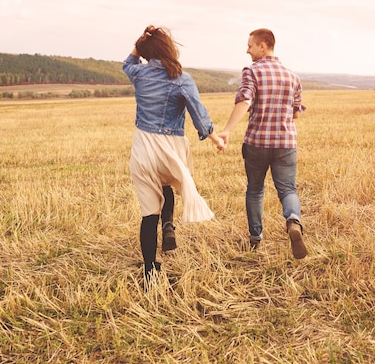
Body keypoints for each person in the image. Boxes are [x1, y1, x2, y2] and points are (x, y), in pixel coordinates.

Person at [123, 25, 225, 282]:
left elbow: (128, 62)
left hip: (143, 147)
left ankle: (150, 270)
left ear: (147, 52)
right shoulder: (181, 78)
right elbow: (198, 114)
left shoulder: (139, 74)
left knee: (149, 211)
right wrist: (215, 138)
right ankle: (169, 225)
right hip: (170, 147)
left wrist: (141, 41)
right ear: (170, 48)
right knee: (168, 183)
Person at [218, 28, 307, 259]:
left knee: (255, 190)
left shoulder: (252, 71)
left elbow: (245, 99)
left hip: (257, 142)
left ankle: (255, 238)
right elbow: (296, 114)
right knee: (288, 189)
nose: (247, 50)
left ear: (263, 46)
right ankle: (293, 221)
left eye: (250, 45)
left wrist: (227, 130)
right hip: (286, 143)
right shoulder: (292, 76)